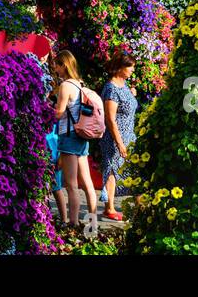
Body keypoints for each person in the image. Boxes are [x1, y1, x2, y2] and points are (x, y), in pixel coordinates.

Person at [52, 50, 97, 229]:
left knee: (71, 184)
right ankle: (92, 224)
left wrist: (47, 108)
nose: (55, 68)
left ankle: (73, 222)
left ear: (64, 65)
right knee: (87, 183)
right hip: (81, 136)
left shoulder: (65, 86)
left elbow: (59, 113)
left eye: (56, 64)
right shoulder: (80, 84)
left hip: (69, 136)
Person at [99, 53, 137, 221]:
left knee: (131, 170)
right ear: (120, 68)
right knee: (112, 170)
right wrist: (119, 142)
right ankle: (109, 208)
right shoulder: (111, 88)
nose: (132, 70)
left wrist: (132, 95)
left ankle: (137, 205)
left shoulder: (124, 85)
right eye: (130, 67)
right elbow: (110, 118)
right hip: (115, 137)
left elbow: (126, 105)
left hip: (129, 135)